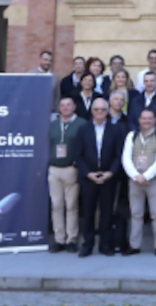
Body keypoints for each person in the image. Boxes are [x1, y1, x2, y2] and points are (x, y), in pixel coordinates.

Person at [75, 98, 125, 258]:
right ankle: (87, 245)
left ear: (107, 111)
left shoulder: (116, 129)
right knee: (88, 213)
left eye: (103, 109)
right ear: (92, 111)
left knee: (107, 212)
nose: (100, 112)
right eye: (97, 109)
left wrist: (111, 172)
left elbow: (119, 155)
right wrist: (87, 173)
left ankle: (105, 245)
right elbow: (78, 155)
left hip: (108, 178)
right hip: (88, 178)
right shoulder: (83, 129)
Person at [121, 108, 156, 256]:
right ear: (139, 120)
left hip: (155, 181)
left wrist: (146, 176)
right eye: (144, 118)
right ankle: (134, 245)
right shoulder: (132, 135)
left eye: (150, 118)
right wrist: (136, 176)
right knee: (136, 213)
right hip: (135, 180)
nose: (147, 121)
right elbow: (126, 158)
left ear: (155, 120)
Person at [48, 97, 85, 253]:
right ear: (59, 108)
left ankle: (71, 239)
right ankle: (59, 239)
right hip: (54, 169)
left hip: (72, 169)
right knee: (56, 205)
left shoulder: (82, 124)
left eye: (69, 105)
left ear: (74, 107)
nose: (66, 107)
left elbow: (86, 145)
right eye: (62, 105)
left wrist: (78, 164)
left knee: (71, 206)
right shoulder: (53, 125)